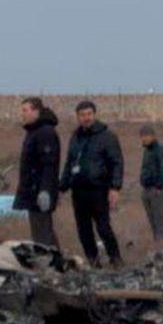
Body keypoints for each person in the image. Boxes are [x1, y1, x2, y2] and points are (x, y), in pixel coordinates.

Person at [59, 100, 124, 268]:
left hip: (98, 189)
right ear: (77, 117)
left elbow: (116, 162)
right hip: (78, 191)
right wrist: (62, 187)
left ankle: (116, 259)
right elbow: (69, 163)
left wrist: (115, 187)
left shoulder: (107, 136)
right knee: (84, 230)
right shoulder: (75, 137)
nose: (86, 118)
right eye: (82, 115)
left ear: (94, 115)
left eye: (89, 114)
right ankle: (94, 263)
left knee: (103, 227)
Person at [12, 97, 62, 249]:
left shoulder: (45, 132)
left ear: (36, 111)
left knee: (42, 233)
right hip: (32, 190)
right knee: (40, 230)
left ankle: (50, 259)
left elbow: (49, 164)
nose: (23, 114)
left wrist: (45, 190)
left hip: (40, 191)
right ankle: (54, 257)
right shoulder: (34, 131)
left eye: (25, 110)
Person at [138, 125, 163, 246]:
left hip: (156, 190)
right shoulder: (146, 151)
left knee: (158, 219)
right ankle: (157, 243)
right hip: (146, 189)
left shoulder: (160, 150)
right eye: (142, 136)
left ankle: (162, 246)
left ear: (153, 136)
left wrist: (159, 187)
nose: (144, 138)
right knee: (152, 219)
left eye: (147, 135)